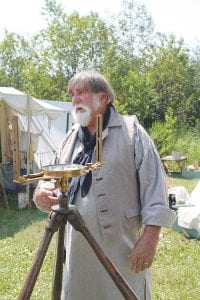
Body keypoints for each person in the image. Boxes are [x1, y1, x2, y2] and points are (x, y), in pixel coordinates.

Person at [34, 70, 176, 300]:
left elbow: (155, 189)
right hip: (77, 250)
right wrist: (41, 193)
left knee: (121, 293)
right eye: (72, 94)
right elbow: (50, 177)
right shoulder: (70, 138)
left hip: (121, 249)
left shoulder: (132, 133)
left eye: (82, 92)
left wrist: (150, 238)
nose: (75, 99)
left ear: (104, 97)